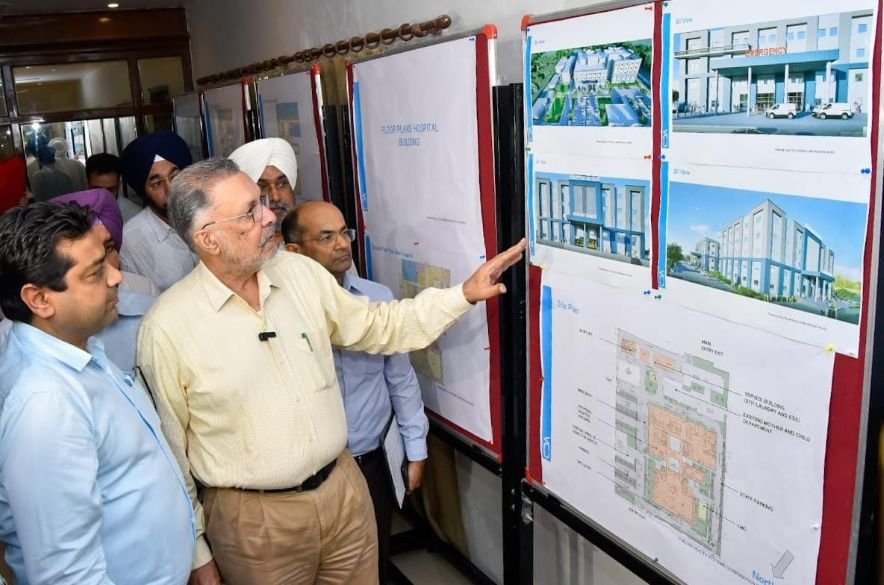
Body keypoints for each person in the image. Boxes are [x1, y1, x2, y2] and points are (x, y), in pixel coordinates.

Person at [137, 158, 525, 585]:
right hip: (257, 524)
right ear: (208, 238)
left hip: (344, 493)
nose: (269, 216)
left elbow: (380, 326)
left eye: (261, 203)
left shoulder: (300, 274)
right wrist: (198, 554)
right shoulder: (167, 328)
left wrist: (462, 294)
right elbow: (171, 455)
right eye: (250, 211)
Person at [0, 202, 195, 585]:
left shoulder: (82, 354)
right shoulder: (48, 403)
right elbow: (67, 574)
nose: (116, 277)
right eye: (94, 273)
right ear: (40, 299)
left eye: (107, 258)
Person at [283, 201, 428, 584]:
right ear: (294, 251)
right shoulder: (280, 312)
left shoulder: (376, 297)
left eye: (344, 232)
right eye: (325, 237)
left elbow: (401, 378)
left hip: (371, 461)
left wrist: (416, 448)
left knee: (373, 563)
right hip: (313, 474)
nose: (342, 244)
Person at [53, 189, 159, 374]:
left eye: (109, 248)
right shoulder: (11, 343)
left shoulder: (145, 293)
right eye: (89, 257)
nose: (115, 275)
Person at [120, 131, 197, 291]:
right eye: (157, 183)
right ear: (144, 192)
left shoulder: (212, 214)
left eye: (175, 176)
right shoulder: (130, 242)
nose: (171, 189)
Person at [229, 137, 298, 243]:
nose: (275, 197)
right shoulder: (232, 248)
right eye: (262, 187)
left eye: (282, 184)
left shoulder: (312, 240)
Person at [87, 152, 143, 221]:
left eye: (110, 190)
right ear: (87, 184)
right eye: (97, 190)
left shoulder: (135, 216)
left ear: (119, 184)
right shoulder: (77, 210)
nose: (103, 198)